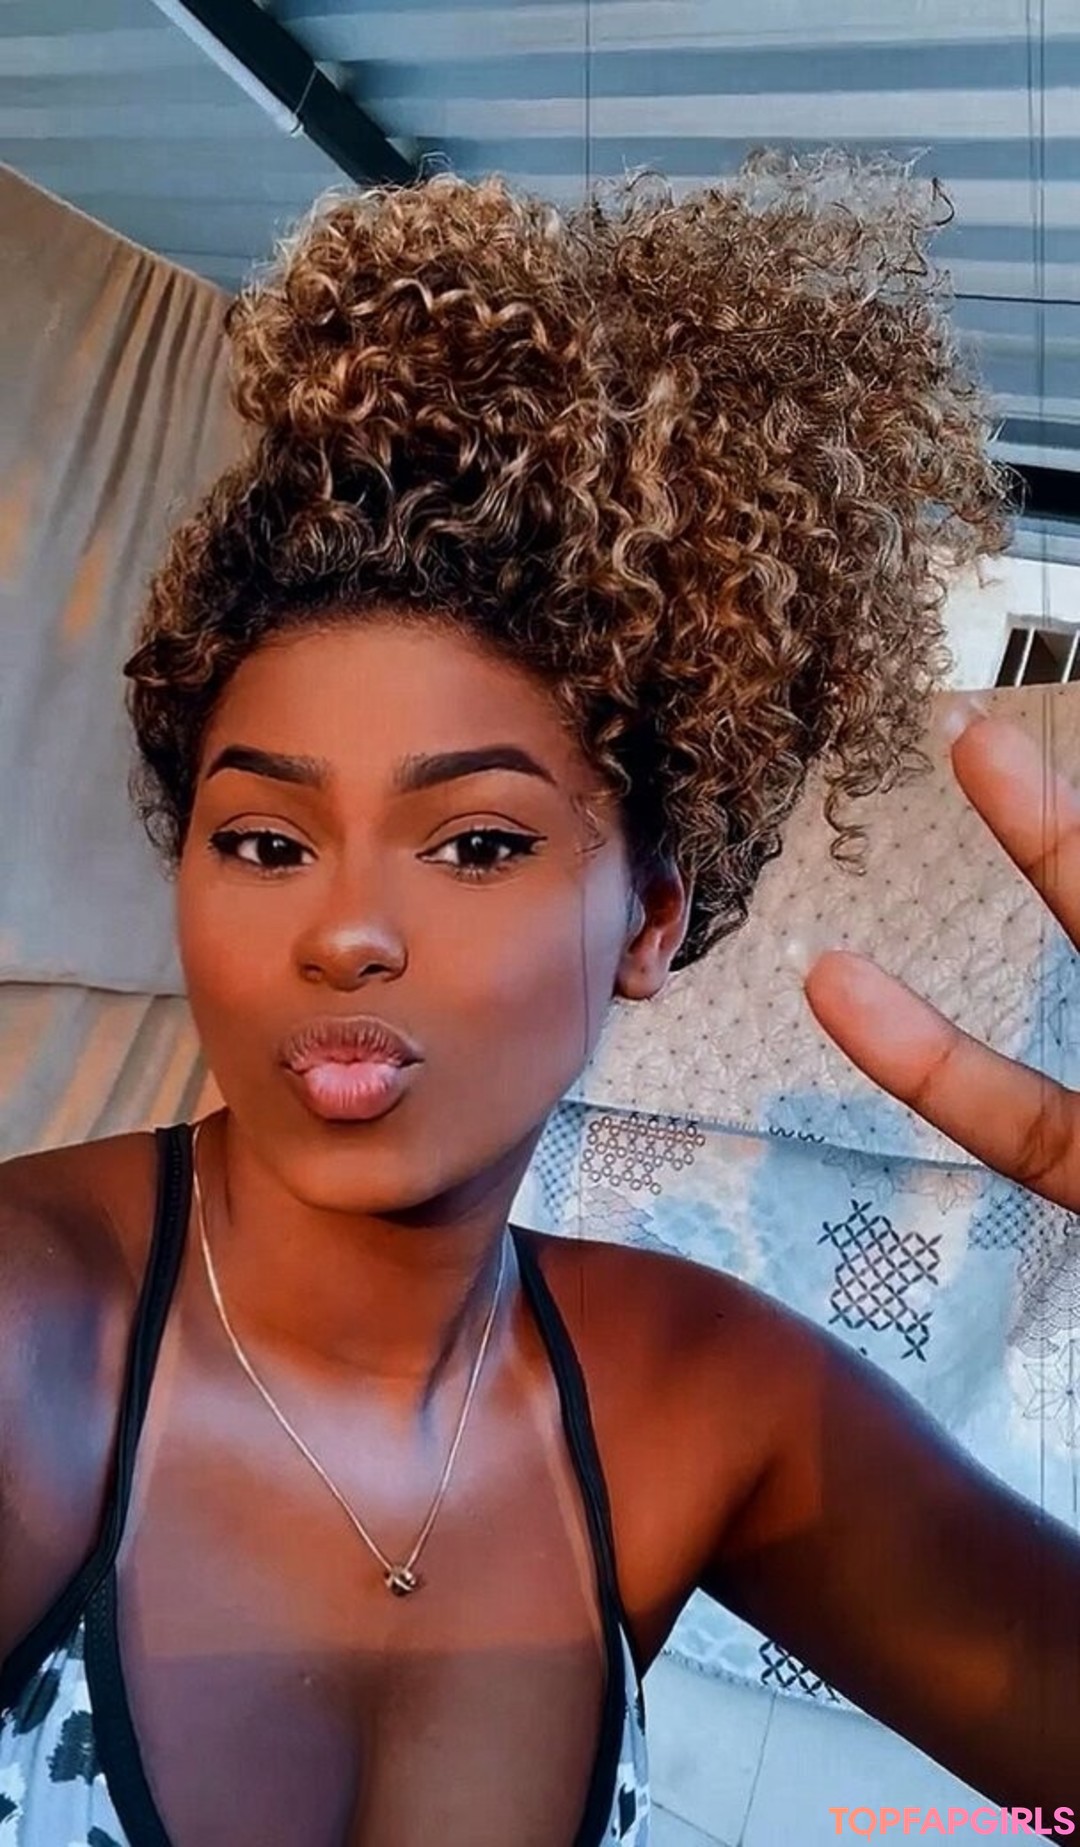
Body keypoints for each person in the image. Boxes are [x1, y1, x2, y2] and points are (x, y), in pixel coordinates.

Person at [0, 153, 1077, 1847]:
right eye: (266, 840)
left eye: (478, 842)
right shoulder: (23, 1342)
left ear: (649, 917)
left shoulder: (700, 1399)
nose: (347, 935)